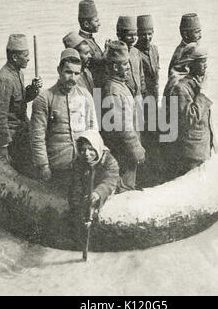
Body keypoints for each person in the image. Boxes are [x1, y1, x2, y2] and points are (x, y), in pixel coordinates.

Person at [30, 48, 98, 183]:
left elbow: (93, 130)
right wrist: (43, 166)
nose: (73, 78)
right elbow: (37, 137)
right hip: (57, 166)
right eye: (68, 72)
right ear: (59, 71)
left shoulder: (85, 96)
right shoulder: (44, 99)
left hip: (82, 163)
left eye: (76, 73)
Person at [0, 34, 42, 175]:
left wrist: (33, 89)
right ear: (14, 58)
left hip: (22, 129)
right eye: (25, 55)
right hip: (12, 136)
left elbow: (19, 101)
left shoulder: (18, 73)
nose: (29, 58)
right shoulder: (3, 79)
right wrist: (2, 145)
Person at [163, 44, 217, 179]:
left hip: (200, 147)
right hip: (191, 152)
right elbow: (189, 118)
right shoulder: (180, 88)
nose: (205, 65)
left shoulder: (197, 83)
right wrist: (203, 94)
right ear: (190, 65)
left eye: (205, 61)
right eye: (201, 62)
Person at [101, 41, 145, 192]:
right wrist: (137, 150)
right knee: (125, 187)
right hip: (123, 152)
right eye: (125, 64)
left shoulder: (119, 85)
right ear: (115, 67)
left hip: (125, 151)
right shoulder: (114, 90)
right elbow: (123, 128)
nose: (128, 67)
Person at [69, 130, 119, 215]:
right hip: (87, 196)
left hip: (105, 194)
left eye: (91, 149)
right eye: (83, 150)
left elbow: (110, 181)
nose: (86, 153)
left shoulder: (109, 161)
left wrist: (98, 193)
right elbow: (77, 184)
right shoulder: (79, 162)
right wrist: (76, 204)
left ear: (97, 147)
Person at [116, 16, 146, 98]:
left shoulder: (136, 52)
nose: (133, 39)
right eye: (129, 35)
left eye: (135, 35)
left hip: (138, 98)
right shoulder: (114, 54)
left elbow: (141, 76)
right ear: (119, 35)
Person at [167, 13, 202, 80]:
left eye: (200, 32)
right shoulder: (181, 53)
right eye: (197, 32)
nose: (200, 36)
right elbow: (175, 79)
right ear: (185, 34)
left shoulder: (192, 49)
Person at [135, 15, 160, 101]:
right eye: (143, 34)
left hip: (154, 94)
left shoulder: (154, 49)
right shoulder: (135, 52)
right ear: (137, 34)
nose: (146, 38)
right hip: (142, 97)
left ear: (153, 32)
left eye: (149, 34)